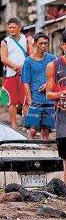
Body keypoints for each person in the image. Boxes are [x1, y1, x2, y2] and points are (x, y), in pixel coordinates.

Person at [0, 17, 34, 127]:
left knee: (26, 100)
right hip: (10, 74)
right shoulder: (5, 41)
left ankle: (26, 125)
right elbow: (3, 58)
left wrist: (24, 68)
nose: (11, 29)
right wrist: (15, 67)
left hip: (25, 74)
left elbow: (32, 55)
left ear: (19, 28)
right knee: (11, 101)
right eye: (9, 27)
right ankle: (13, 125)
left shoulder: (27, 39)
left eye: (14, 27)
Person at [22, 32, 56, 140]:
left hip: (49, 99)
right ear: (35, 44)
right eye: (41, 43)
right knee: (32, 130)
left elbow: (58, 77)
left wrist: (48, 85)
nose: (43, 46)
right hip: (35, 99)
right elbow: (25, 81)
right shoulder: (28, 62)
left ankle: (44, 153)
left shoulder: (52, 59)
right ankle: (28, 152)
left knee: (46, 131)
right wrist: (29, 99)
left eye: (46, 43)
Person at [46, 29, 66, 181]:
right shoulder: (54, 65)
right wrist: (60, 94)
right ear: (62, 45)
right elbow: (48, 93)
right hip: (63, 119)